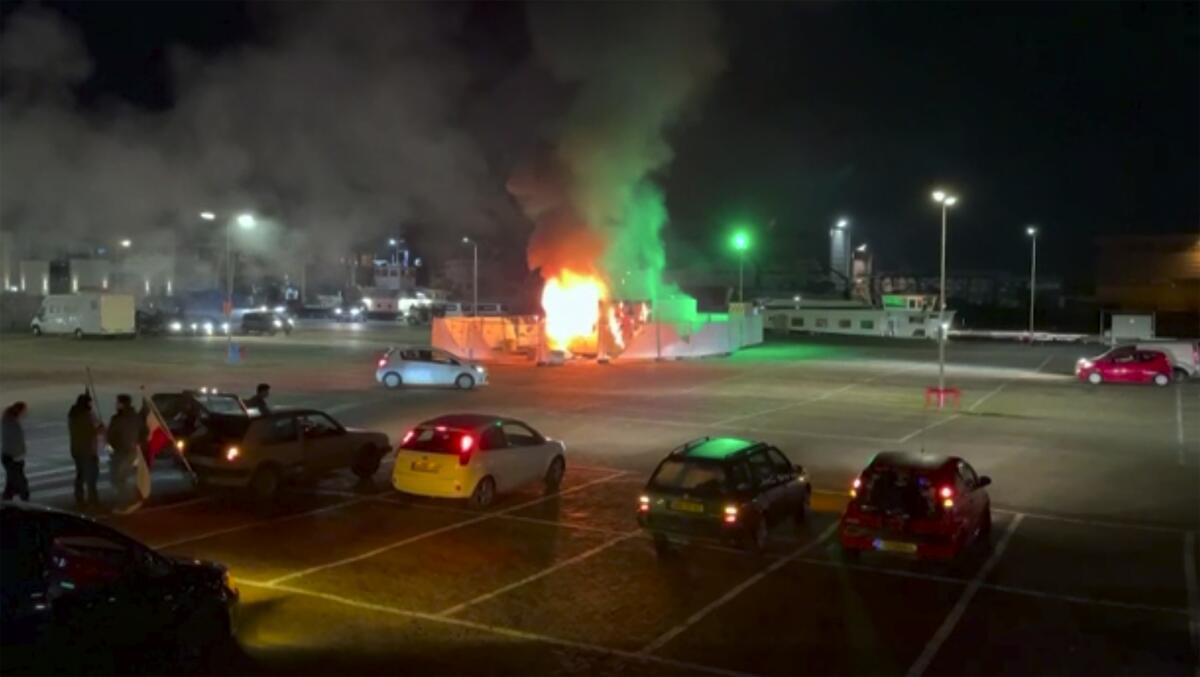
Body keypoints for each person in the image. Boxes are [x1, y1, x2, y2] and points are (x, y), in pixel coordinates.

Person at [68, 393, 103, 508]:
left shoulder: (73, 415)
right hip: (87, 450)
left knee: (81, 475)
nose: (91, 405)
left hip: (77, 449)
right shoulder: (86, 416)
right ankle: (93, 500)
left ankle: (79, 498)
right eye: (90, 403)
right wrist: (99, 429)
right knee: (92, 476)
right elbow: (90, 432)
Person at [106, 394, 141, 506]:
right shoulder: (136, 417)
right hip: (132, 451)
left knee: (118, 479)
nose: (116, 405)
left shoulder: (117, 419)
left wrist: (110, 444)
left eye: (117, 402)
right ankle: (130, 499)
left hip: (121, 452)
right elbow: (143, 432)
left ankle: (127, 502)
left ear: (122, 404)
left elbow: (110, 436)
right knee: (125, 477)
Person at [2, 401, 29, 501]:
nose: (26, 414)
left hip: (11, 457)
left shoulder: (10, 422)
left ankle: (6, 504)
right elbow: (15, 442)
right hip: (13, 459)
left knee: (11, 485)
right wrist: (19, 456)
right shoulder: (12, 424)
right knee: (22, 486)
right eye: (24, 411)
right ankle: (26, 507)